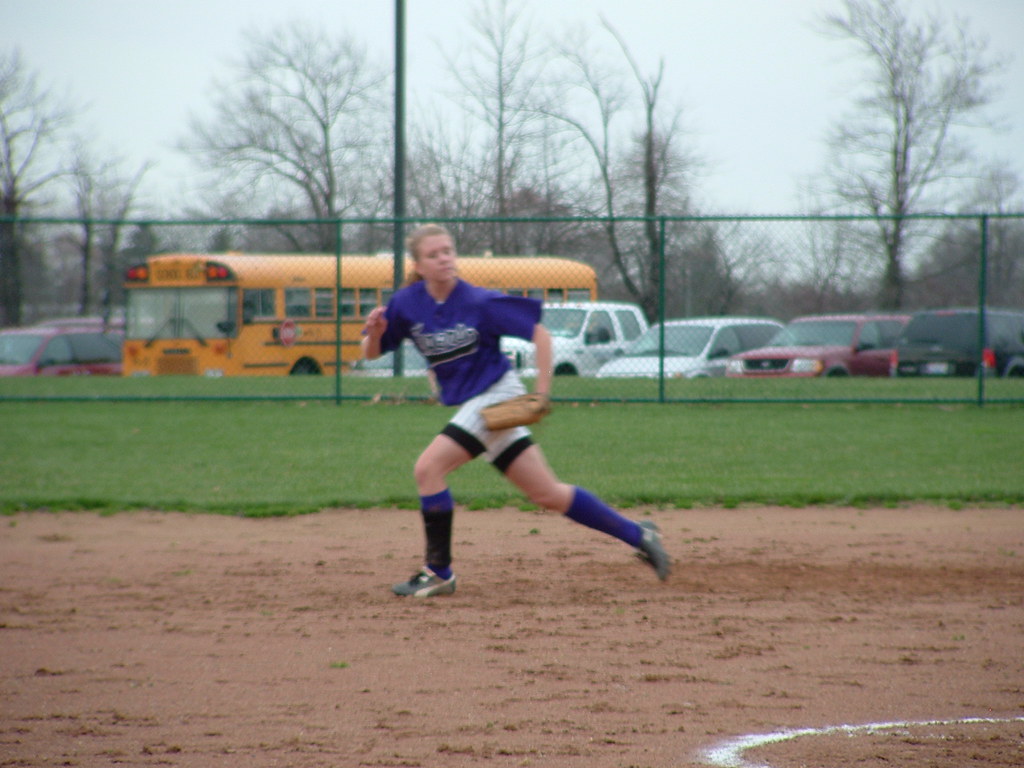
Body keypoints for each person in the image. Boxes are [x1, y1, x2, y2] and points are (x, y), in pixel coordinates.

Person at [361, 223, 670, 597]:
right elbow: (373, 352)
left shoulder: (478, 301)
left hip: (498, 396)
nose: (444, 258)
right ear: (419, 265)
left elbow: (541, 334)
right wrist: (375, 332)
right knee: (548, 494)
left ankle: (439, 572)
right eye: (433, 254)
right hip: (482, 407)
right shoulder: (407, 303)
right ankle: (639, 534)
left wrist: (541, 393)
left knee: (428, 468)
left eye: (448, 250)